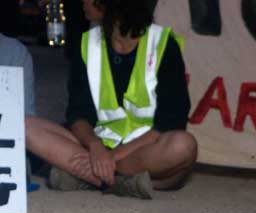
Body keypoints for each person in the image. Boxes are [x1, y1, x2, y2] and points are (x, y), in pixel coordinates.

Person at [0, 0, 103, 188]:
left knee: (42, 132)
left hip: (6, 136)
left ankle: (97, 172)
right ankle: (96, 176)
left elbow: (26, 114)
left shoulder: (15, 53)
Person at [56, 0, 198, 199]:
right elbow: (77, 113)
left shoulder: (162, 43)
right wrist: (95, 146)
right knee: (29, 128)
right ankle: (121, 182)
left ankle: (97, 177)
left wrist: (113, 157)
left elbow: (171, 120)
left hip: (142, 149)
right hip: (98, 144)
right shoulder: (86, 43)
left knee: (183, 146)